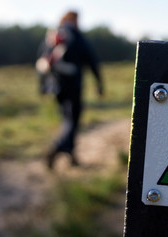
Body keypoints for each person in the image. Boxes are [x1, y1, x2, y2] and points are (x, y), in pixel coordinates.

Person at [36, 11, 103, 169]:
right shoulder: (77, 37)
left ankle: (71, 155)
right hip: (73, 86)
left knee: (67, 119)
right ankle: (57, 147)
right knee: (72, 121)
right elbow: (92, 60)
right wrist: (99, 83)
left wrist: (42, 86)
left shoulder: (51, 37)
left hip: (56, 88)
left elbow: (42, 61)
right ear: (74, 20)